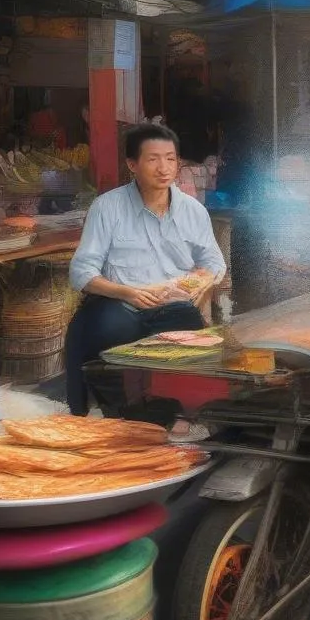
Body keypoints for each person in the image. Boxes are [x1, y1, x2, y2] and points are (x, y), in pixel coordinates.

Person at [66, 123, 226, 417]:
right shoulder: (107, 208)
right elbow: (81, 272)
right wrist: (127, 292)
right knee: (113, 327)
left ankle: (174, 415)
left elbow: (214, 262)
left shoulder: (193, 211)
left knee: (189, 330)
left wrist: (205, 281)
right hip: (119, 302)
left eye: (170, 158)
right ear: (132, 164)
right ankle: (116, 412)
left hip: (172, 305)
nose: (164, 168)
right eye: (153, 159)